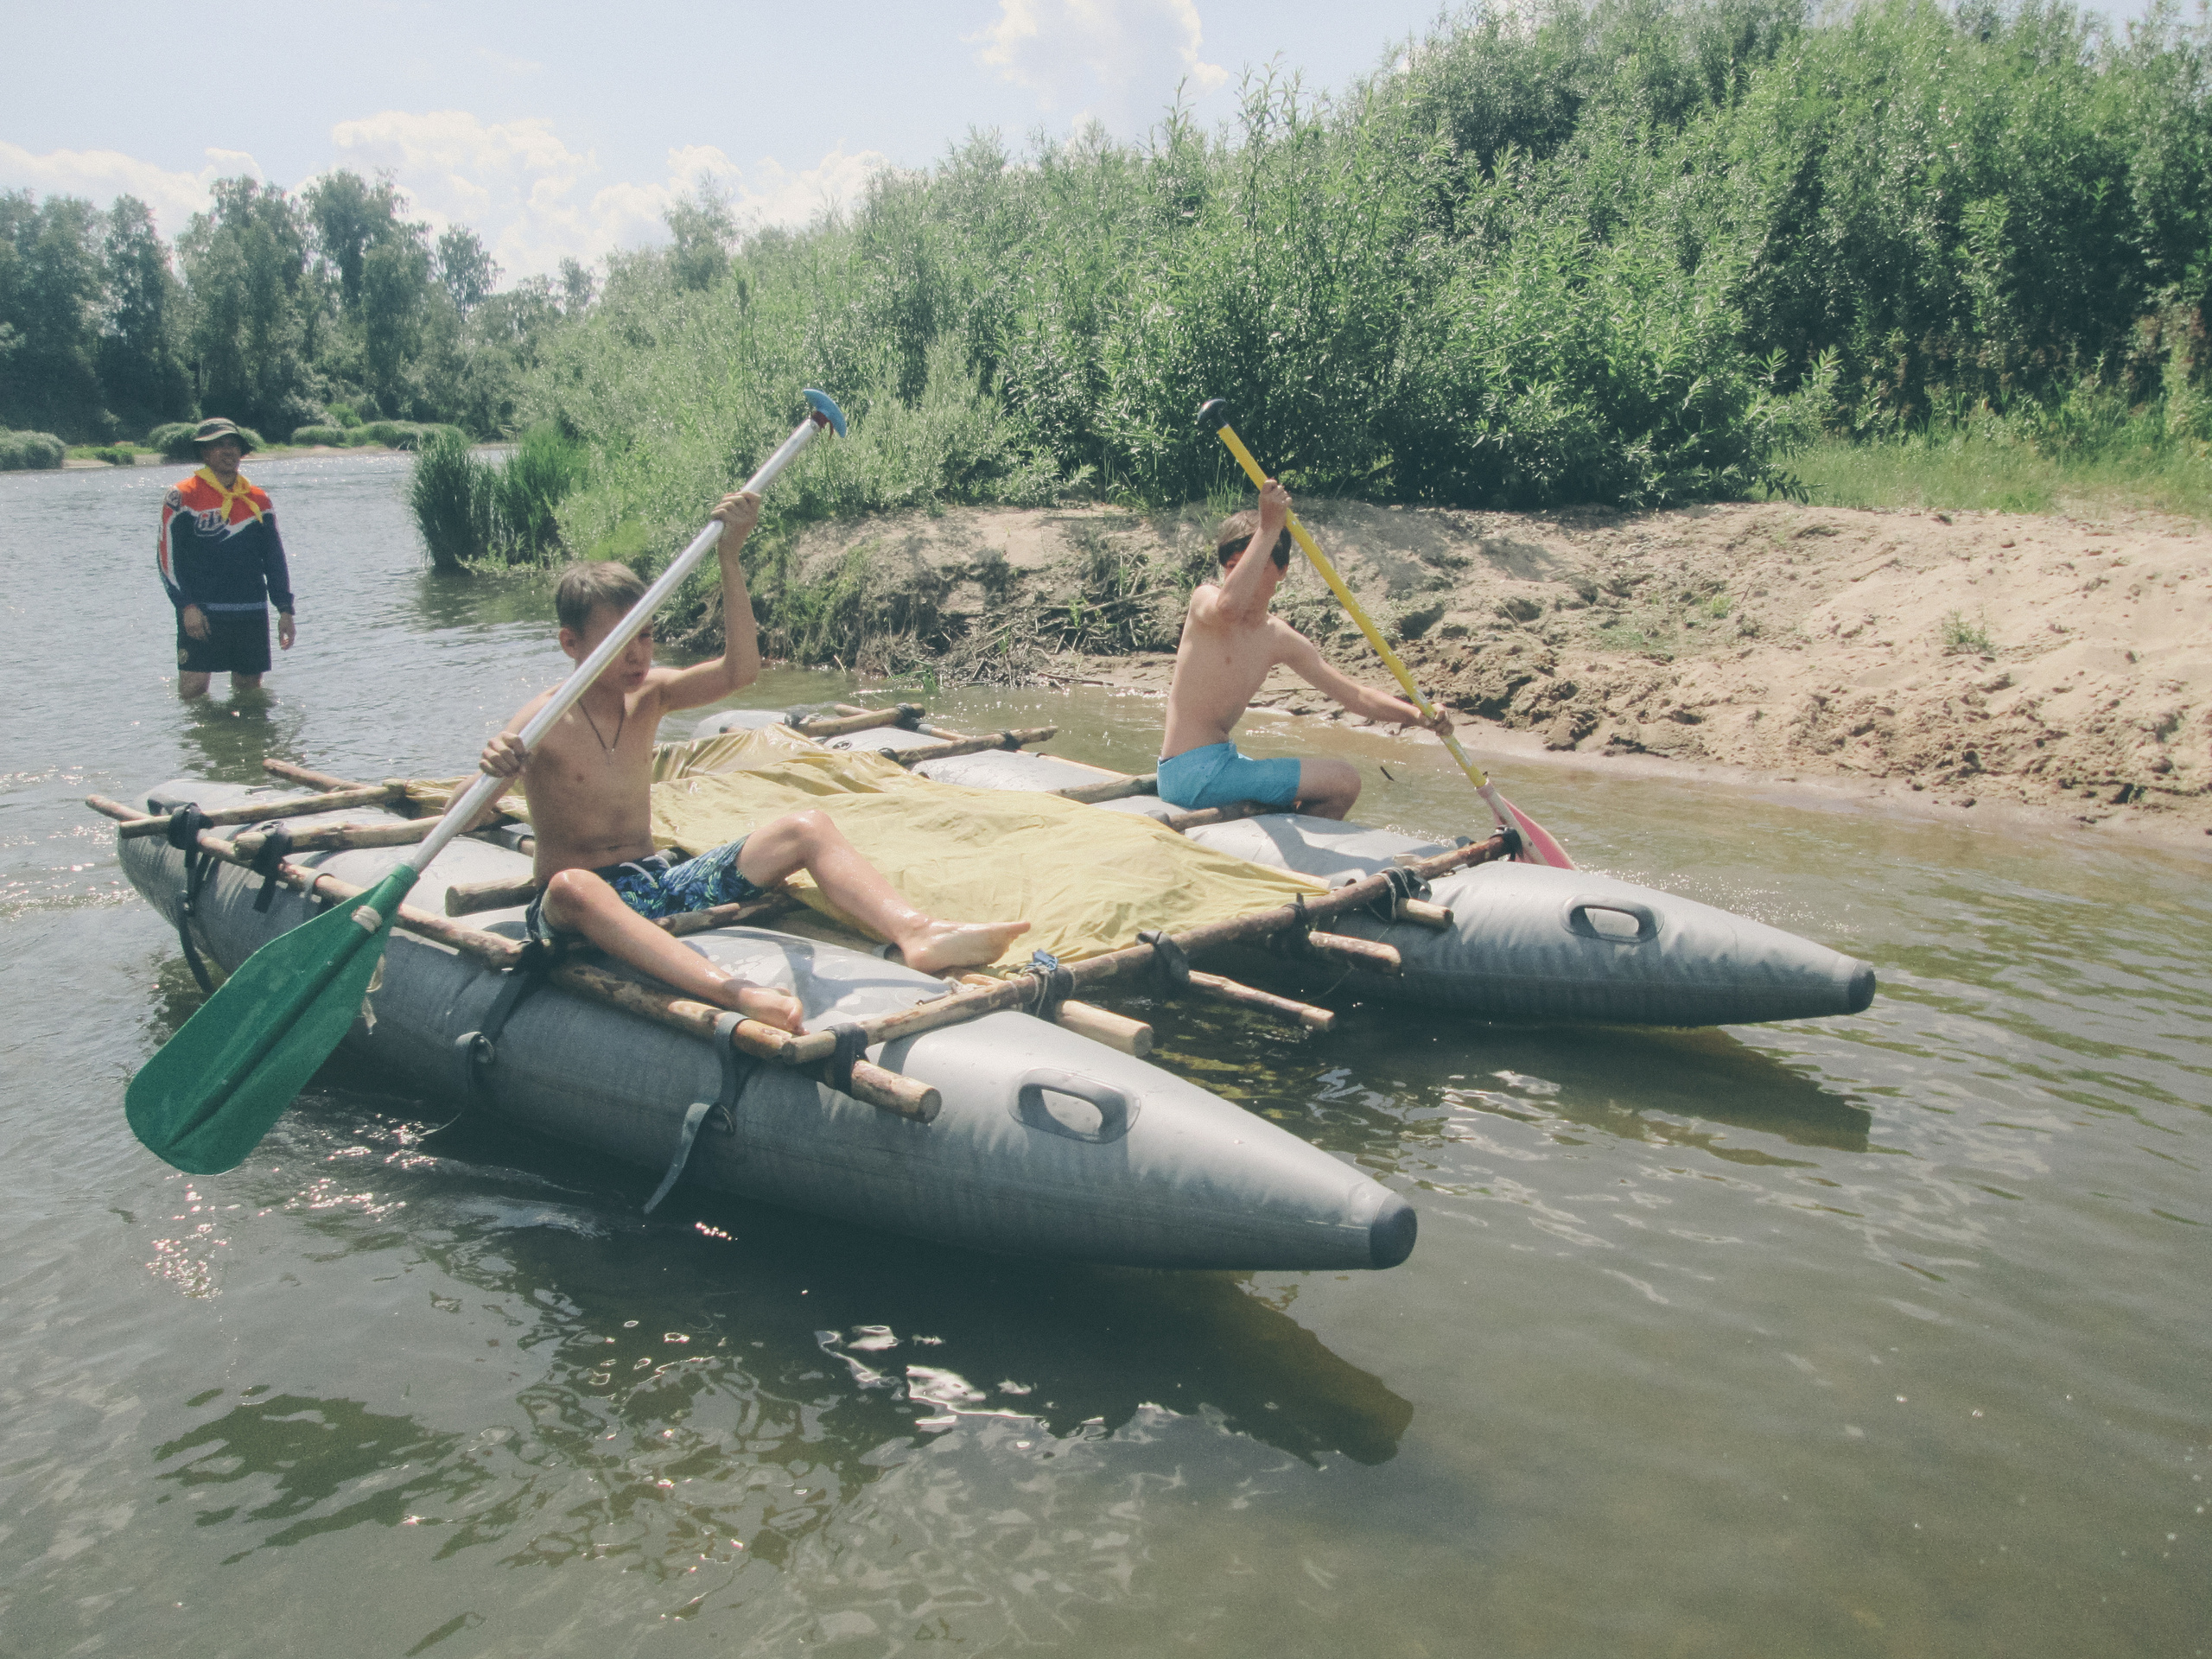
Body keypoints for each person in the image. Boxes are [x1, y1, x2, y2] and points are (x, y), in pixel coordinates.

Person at [478, 490, 1028, 1033]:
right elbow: (471, 811)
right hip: (578, 906)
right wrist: (495, 763)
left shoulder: (652, 695)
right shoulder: (540, 721)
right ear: (571, 643)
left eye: (645, 635)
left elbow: (741, 670)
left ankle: (918, 932)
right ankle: (734, 992)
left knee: (806, 827)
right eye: (621, 641)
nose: (639, 655)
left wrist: (730, 557)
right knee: (573, 885)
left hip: (659, 884)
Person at [1158, 479, 1452, 819]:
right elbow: (1229, 607)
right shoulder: (1206, 603)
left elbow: (1353, 694)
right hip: (1188, 774)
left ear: (1281, 571)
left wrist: (1416, 715)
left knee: (1332, 784)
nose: (1240, 577)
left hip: (1221, 765)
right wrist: (1269, 528)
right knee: (1344, 780)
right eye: (1232, 568)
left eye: (1254, 566)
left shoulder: (1277, 637)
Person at [157, 417, 296, 700]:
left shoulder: (259, 500)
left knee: (249, 697)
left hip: (250, 612)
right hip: (202, 612)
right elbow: (165, 559)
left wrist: (284, 608)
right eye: (217, 445)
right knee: (193, 692)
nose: (227, 450)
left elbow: (274, 558)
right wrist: (187, 607)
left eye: (232, 444)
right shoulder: (181, 497)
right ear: (204, 453)